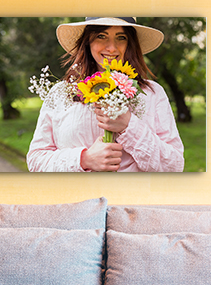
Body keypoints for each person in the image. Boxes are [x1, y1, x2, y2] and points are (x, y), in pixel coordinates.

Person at [27, 17, 185, 172]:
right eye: (101, 36)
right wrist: (84, 159)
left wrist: (128, 126)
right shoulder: (60, 93)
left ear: (130, 43)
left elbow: (174, 166)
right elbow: (35, 161)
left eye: (121, 37)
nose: (111, 48)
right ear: (88, 41)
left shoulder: (152, 94)